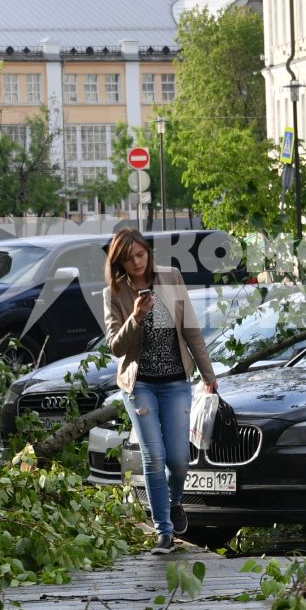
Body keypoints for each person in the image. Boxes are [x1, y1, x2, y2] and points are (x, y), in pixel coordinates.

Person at [101, 228, 217, 554]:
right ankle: (163, 531)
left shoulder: (171, 277)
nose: (137, 262)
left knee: (179, 459)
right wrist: (136, 317)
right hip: (140, 386)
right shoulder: (115, 292)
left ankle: (175, 501)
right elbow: (115, 345)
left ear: (148, 252)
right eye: (129, 258)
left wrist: (208, 375)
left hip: (176, 382)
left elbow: (191, 329)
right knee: (155, 457)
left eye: (141, 254)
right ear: (120, 262)